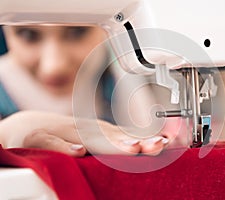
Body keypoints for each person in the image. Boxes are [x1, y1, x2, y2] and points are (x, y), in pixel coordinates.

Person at [0, 25, 171, 157]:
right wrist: (4, 135)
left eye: (76, 32)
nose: (53, 67)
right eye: (28, 35)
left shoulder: (120, 83)